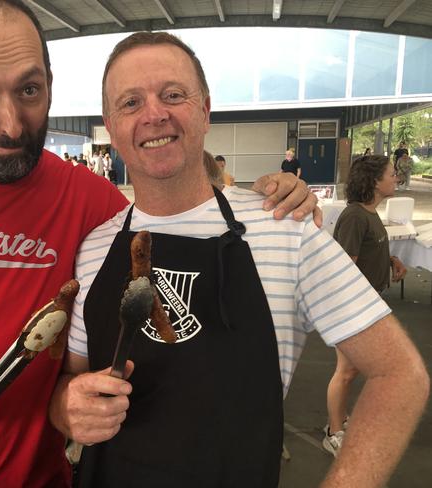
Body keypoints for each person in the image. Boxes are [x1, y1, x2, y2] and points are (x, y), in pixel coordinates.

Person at [0, 2, 316, 486]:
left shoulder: (92, 201)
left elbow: (181, 217)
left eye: (29, 90)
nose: (11, 122)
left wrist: (273, 200)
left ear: (50, 85)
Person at [48, 31, 429, 488]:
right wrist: (65, 407)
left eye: (173, 95)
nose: (154, 114)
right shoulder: (93, 248)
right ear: (111, 127)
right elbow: (68, 382)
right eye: (130, 103)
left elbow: (399, 373)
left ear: (205, 110)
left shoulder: (285, 228)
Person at [323, 155, 408, 457]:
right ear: (374, 181)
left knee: (353, 370)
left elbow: (367, 251)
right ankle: (334, 432)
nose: (395, 177)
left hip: (367, 305)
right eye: (390, 173)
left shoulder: (369, 214)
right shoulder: (356, 216)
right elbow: (344, 267)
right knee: (346, 371)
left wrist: (390, 260)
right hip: (352, 308)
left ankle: (338, 421)